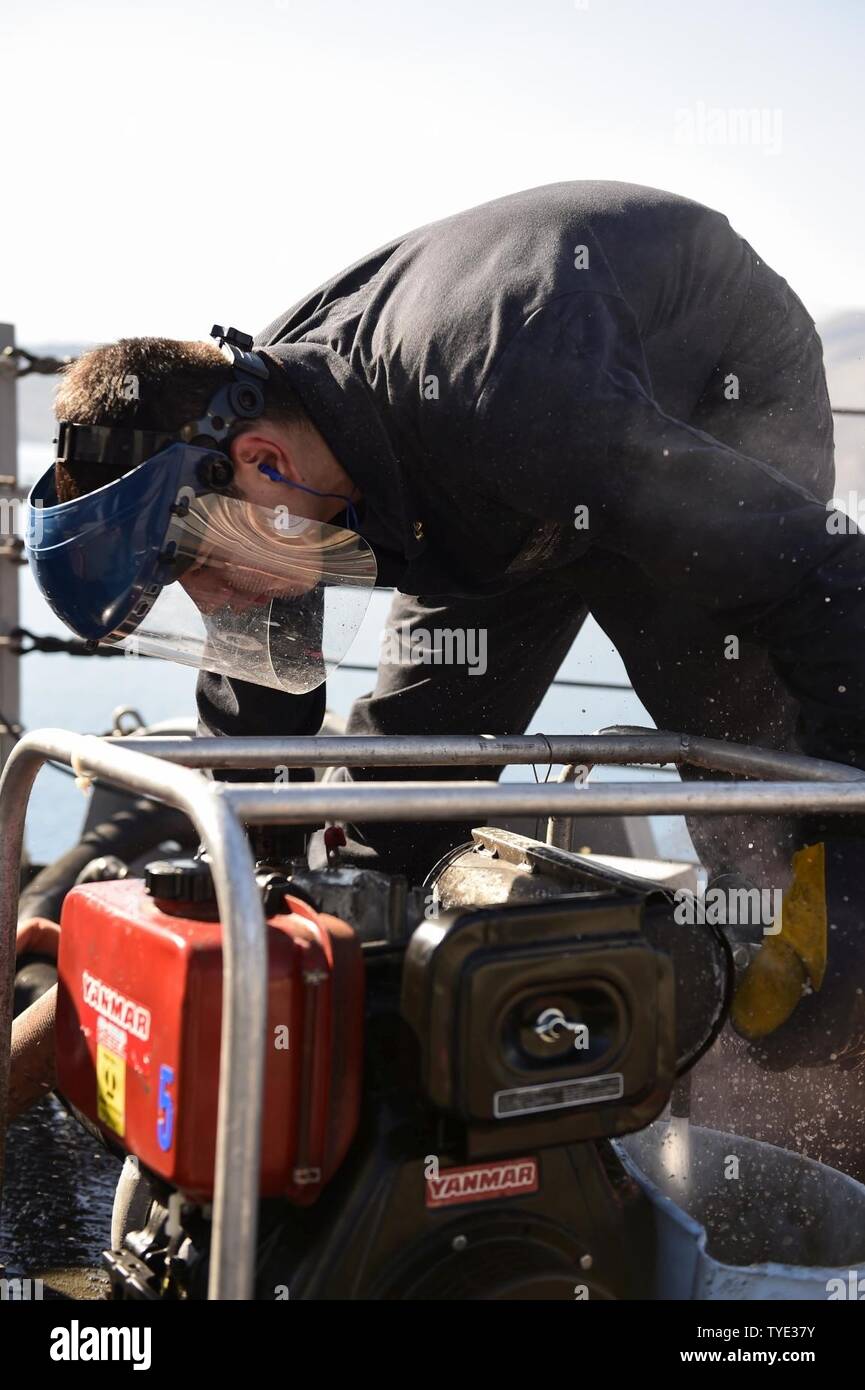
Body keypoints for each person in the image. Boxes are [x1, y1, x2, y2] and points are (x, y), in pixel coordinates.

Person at [19, 181, 865, 1170]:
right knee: (394, 810)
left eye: (197, 572)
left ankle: (790, 1189)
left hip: (699, 378)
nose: (212, 606)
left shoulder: (515, 404)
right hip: (480, 487)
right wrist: (240, 873)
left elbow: (826, 578)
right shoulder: (268, 441)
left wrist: (840, 849)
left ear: (258, 464)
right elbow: (260, 683)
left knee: (757, 791)